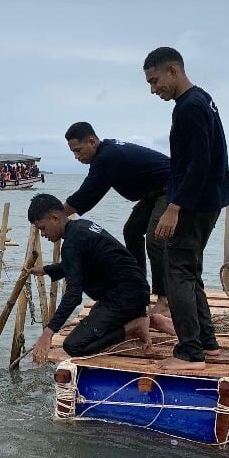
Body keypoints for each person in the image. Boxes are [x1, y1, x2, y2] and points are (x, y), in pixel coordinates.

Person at [143, 47, 229, 371]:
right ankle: (208, 343)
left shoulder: (189, 107)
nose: (154, 90)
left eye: (155, 81)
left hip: (193, 204)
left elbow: (198, 163)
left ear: (173, 71)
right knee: (190, 272)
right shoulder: (202, 99)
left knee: (175, 271)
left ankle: (190, 352)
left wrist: (174, 206)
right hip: (209, 200)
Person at [25, 194, 152, 364]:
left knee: (74, 346)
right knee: (94, 319)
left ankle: (134, 326)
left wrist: (48, 333)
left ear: (55, 218)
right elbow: (80, 263)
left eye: (42, 228)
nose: (43, 234)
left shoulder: (71, 244)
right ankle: (141, 317)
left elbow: (74, 295)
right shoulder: (82, 227)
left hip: (124, 297)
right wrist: (46, 270)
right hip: (134, 290)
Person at [62, 121, 172, 315]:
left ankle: (164, 300)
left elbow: (86, 194)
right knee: (131, 231)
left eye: (78, 151)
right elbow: (91, 191)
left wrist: (56, 216)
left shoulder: (107, 157)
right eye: (73, 153)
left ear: (92, 141)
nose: (77, 157)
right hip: (152, 193)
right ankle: (139, 291)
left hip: (171, 188)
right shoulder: (106, 152)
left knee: (156, 240)